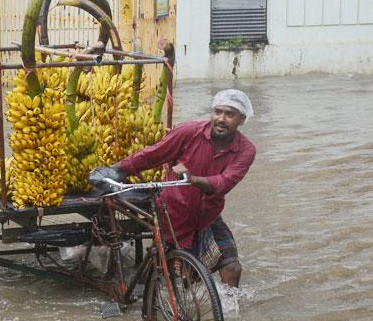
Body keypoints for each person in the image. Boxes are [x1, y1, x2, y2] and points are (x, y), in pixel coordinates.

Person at [100, 89, 256, 287]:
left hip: (208, 214)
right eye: (218, 112)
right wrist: (117, 169)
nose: (221, 119)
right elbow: (154, 154)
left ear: (241, 119)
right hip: (174, 211)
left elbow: (225, 182)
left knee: (233, 268)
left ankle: (228, 311)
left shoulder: (246, 149)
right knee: (182, 275)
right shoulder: (189, 131)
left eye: (229, 114)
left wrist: (194, 179)